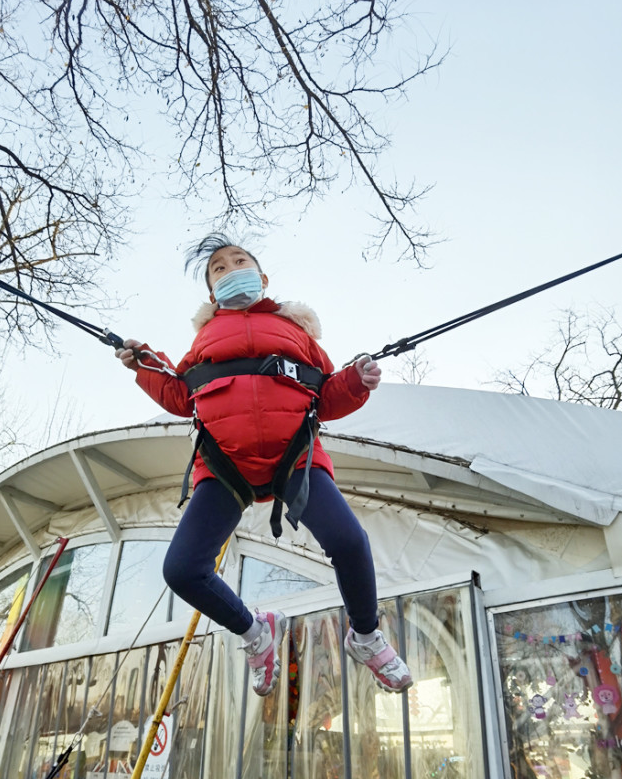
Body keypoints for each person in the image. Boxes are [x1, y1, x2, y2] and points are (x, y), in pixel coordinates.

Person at [116, 234, 413, 698]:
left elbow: (327, 394)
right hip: (224, 466)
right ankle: (255, 633)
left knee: (350, 542)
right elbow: (180, 395)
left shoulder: (297, 333)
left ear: (262, 277)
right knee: (181, 569)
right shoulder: (203, 341)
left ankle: (366, 636)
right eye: (218, 267)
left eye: (239, 261)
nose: (230, 268)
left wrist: (357, 379)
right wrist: (145, 364)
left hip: (294, 459)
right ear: (212, 293)